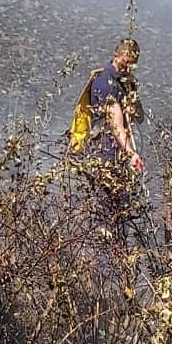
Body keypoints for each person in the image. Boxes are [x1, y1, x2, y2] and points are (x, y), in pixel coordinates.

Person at [70, 38, 146, 237]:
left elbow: (140, 118)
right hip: (105, 154)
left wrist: (133, 99)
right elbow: (115, 125)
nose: (128, 67)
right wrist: (131, 154)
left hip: (118, 156)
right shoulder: (105, 82)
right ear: (116, 55)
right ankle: (106, 259)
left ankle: (117, 253)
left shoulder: (125, 83)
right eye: (125, 62)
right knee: (106, 215)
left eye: (132, 64)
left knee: (120, 212)